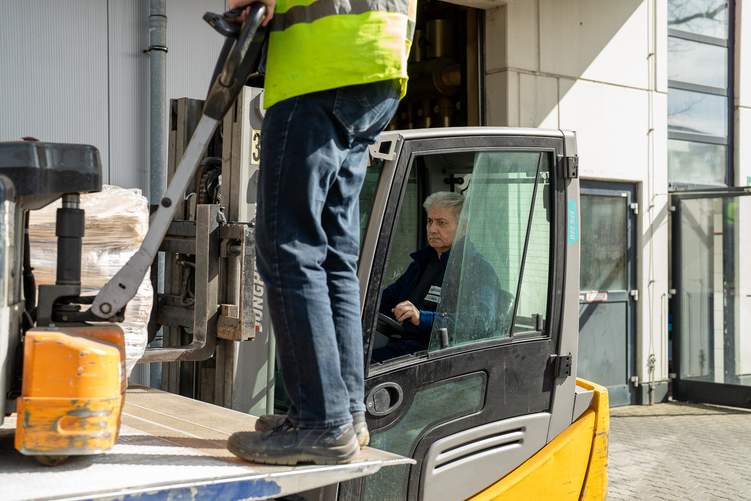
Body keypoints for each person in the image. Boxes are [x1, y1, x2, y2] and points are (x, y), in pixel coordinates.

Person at [225, 0, 415, 466]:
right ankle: (346, 413)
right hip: (378, 68)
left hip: (320, 70)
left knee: (288, 247)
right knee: (332, 255)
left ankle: (320, 422)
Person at [375, 191, 511, 360]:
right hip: (405, 347)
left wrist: (422, 318)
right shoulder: (422, 264)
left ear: (463, 226)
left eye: (441, 223)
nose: (432, 229)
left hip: (438, 357)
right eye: (430, 221)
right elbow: (387, 299)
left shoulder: (478, 270)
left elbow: (480, 323)